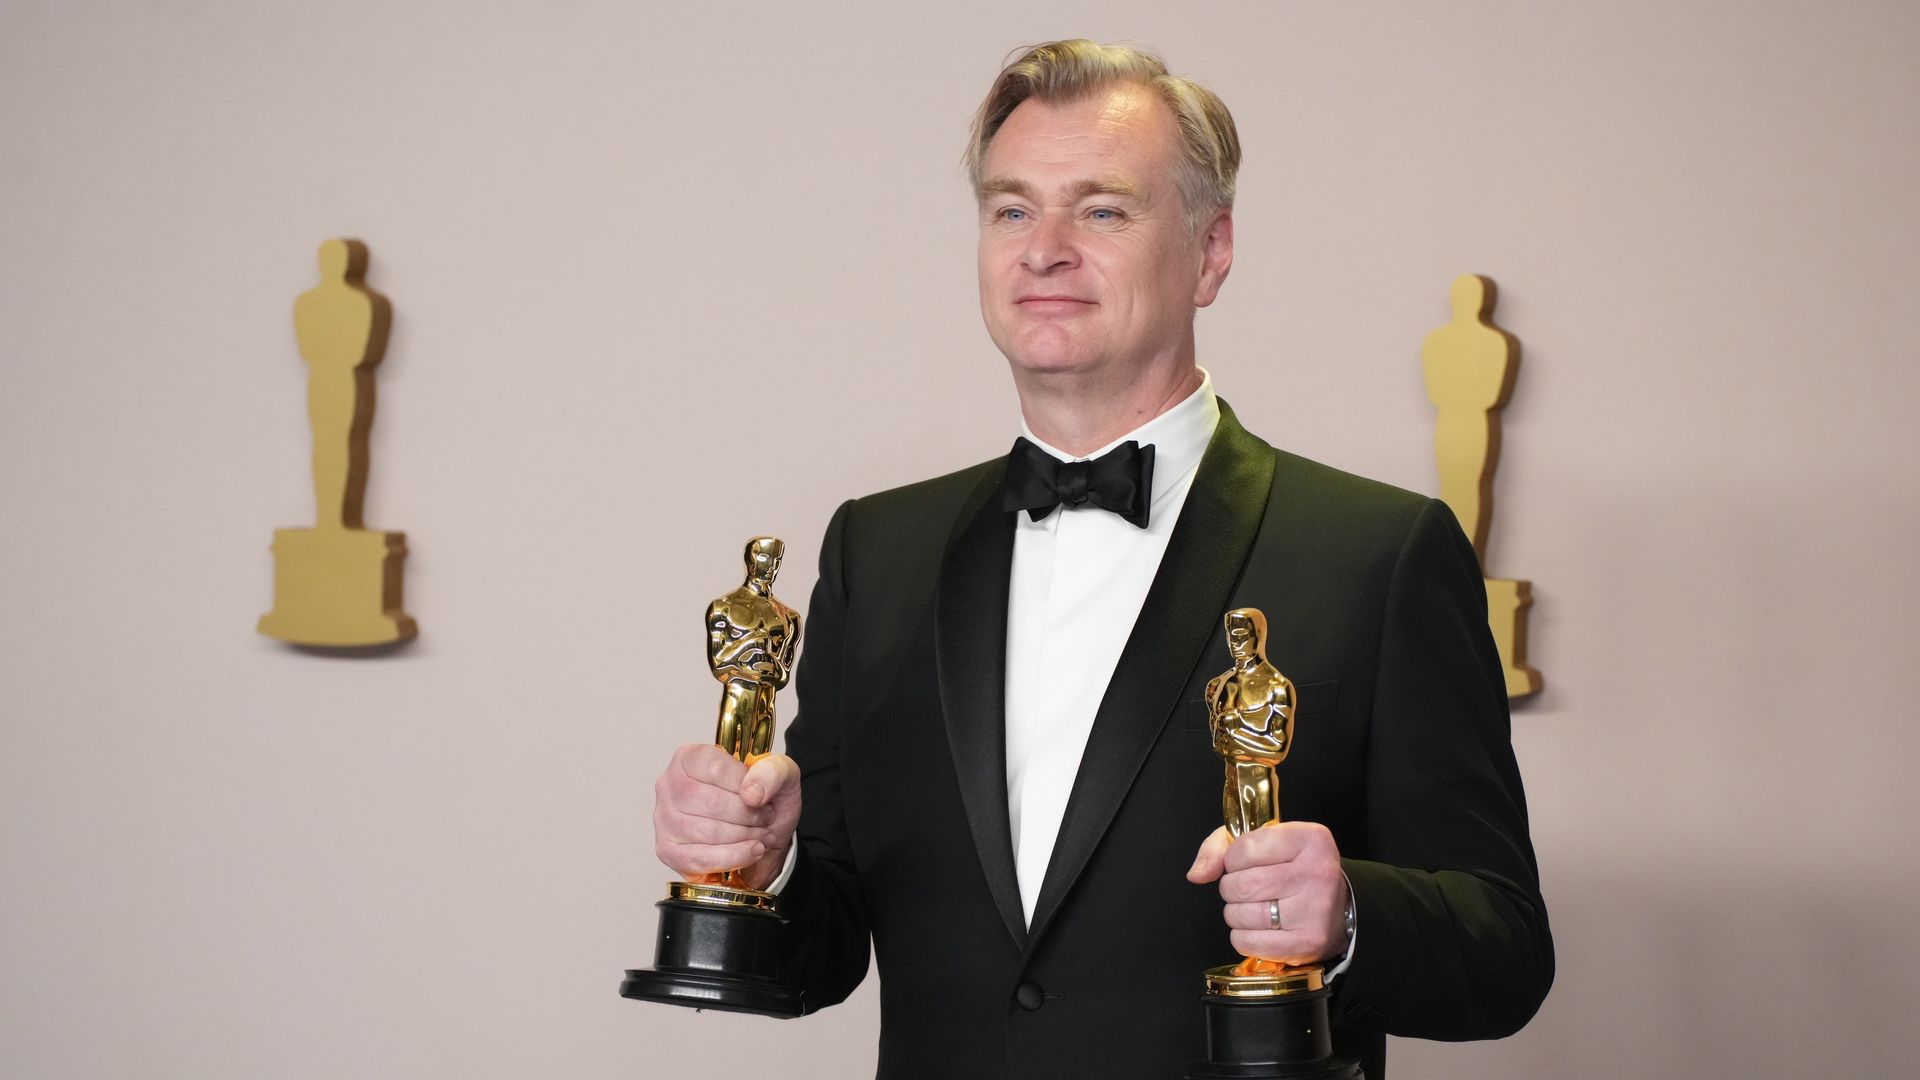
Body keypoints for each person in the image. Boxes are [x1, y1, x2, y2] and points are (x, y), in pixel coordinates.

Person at [651, 40, 1552, 1079]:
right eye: (1011, 210)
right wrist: (762, 866)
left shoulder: (1379, 554)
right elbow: (825, 946)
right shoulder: (876, 551)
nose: (1044, 250)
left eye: (1103, 210)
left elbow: (1505, 953)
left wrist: (1348, 914)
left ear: (1211, 251)